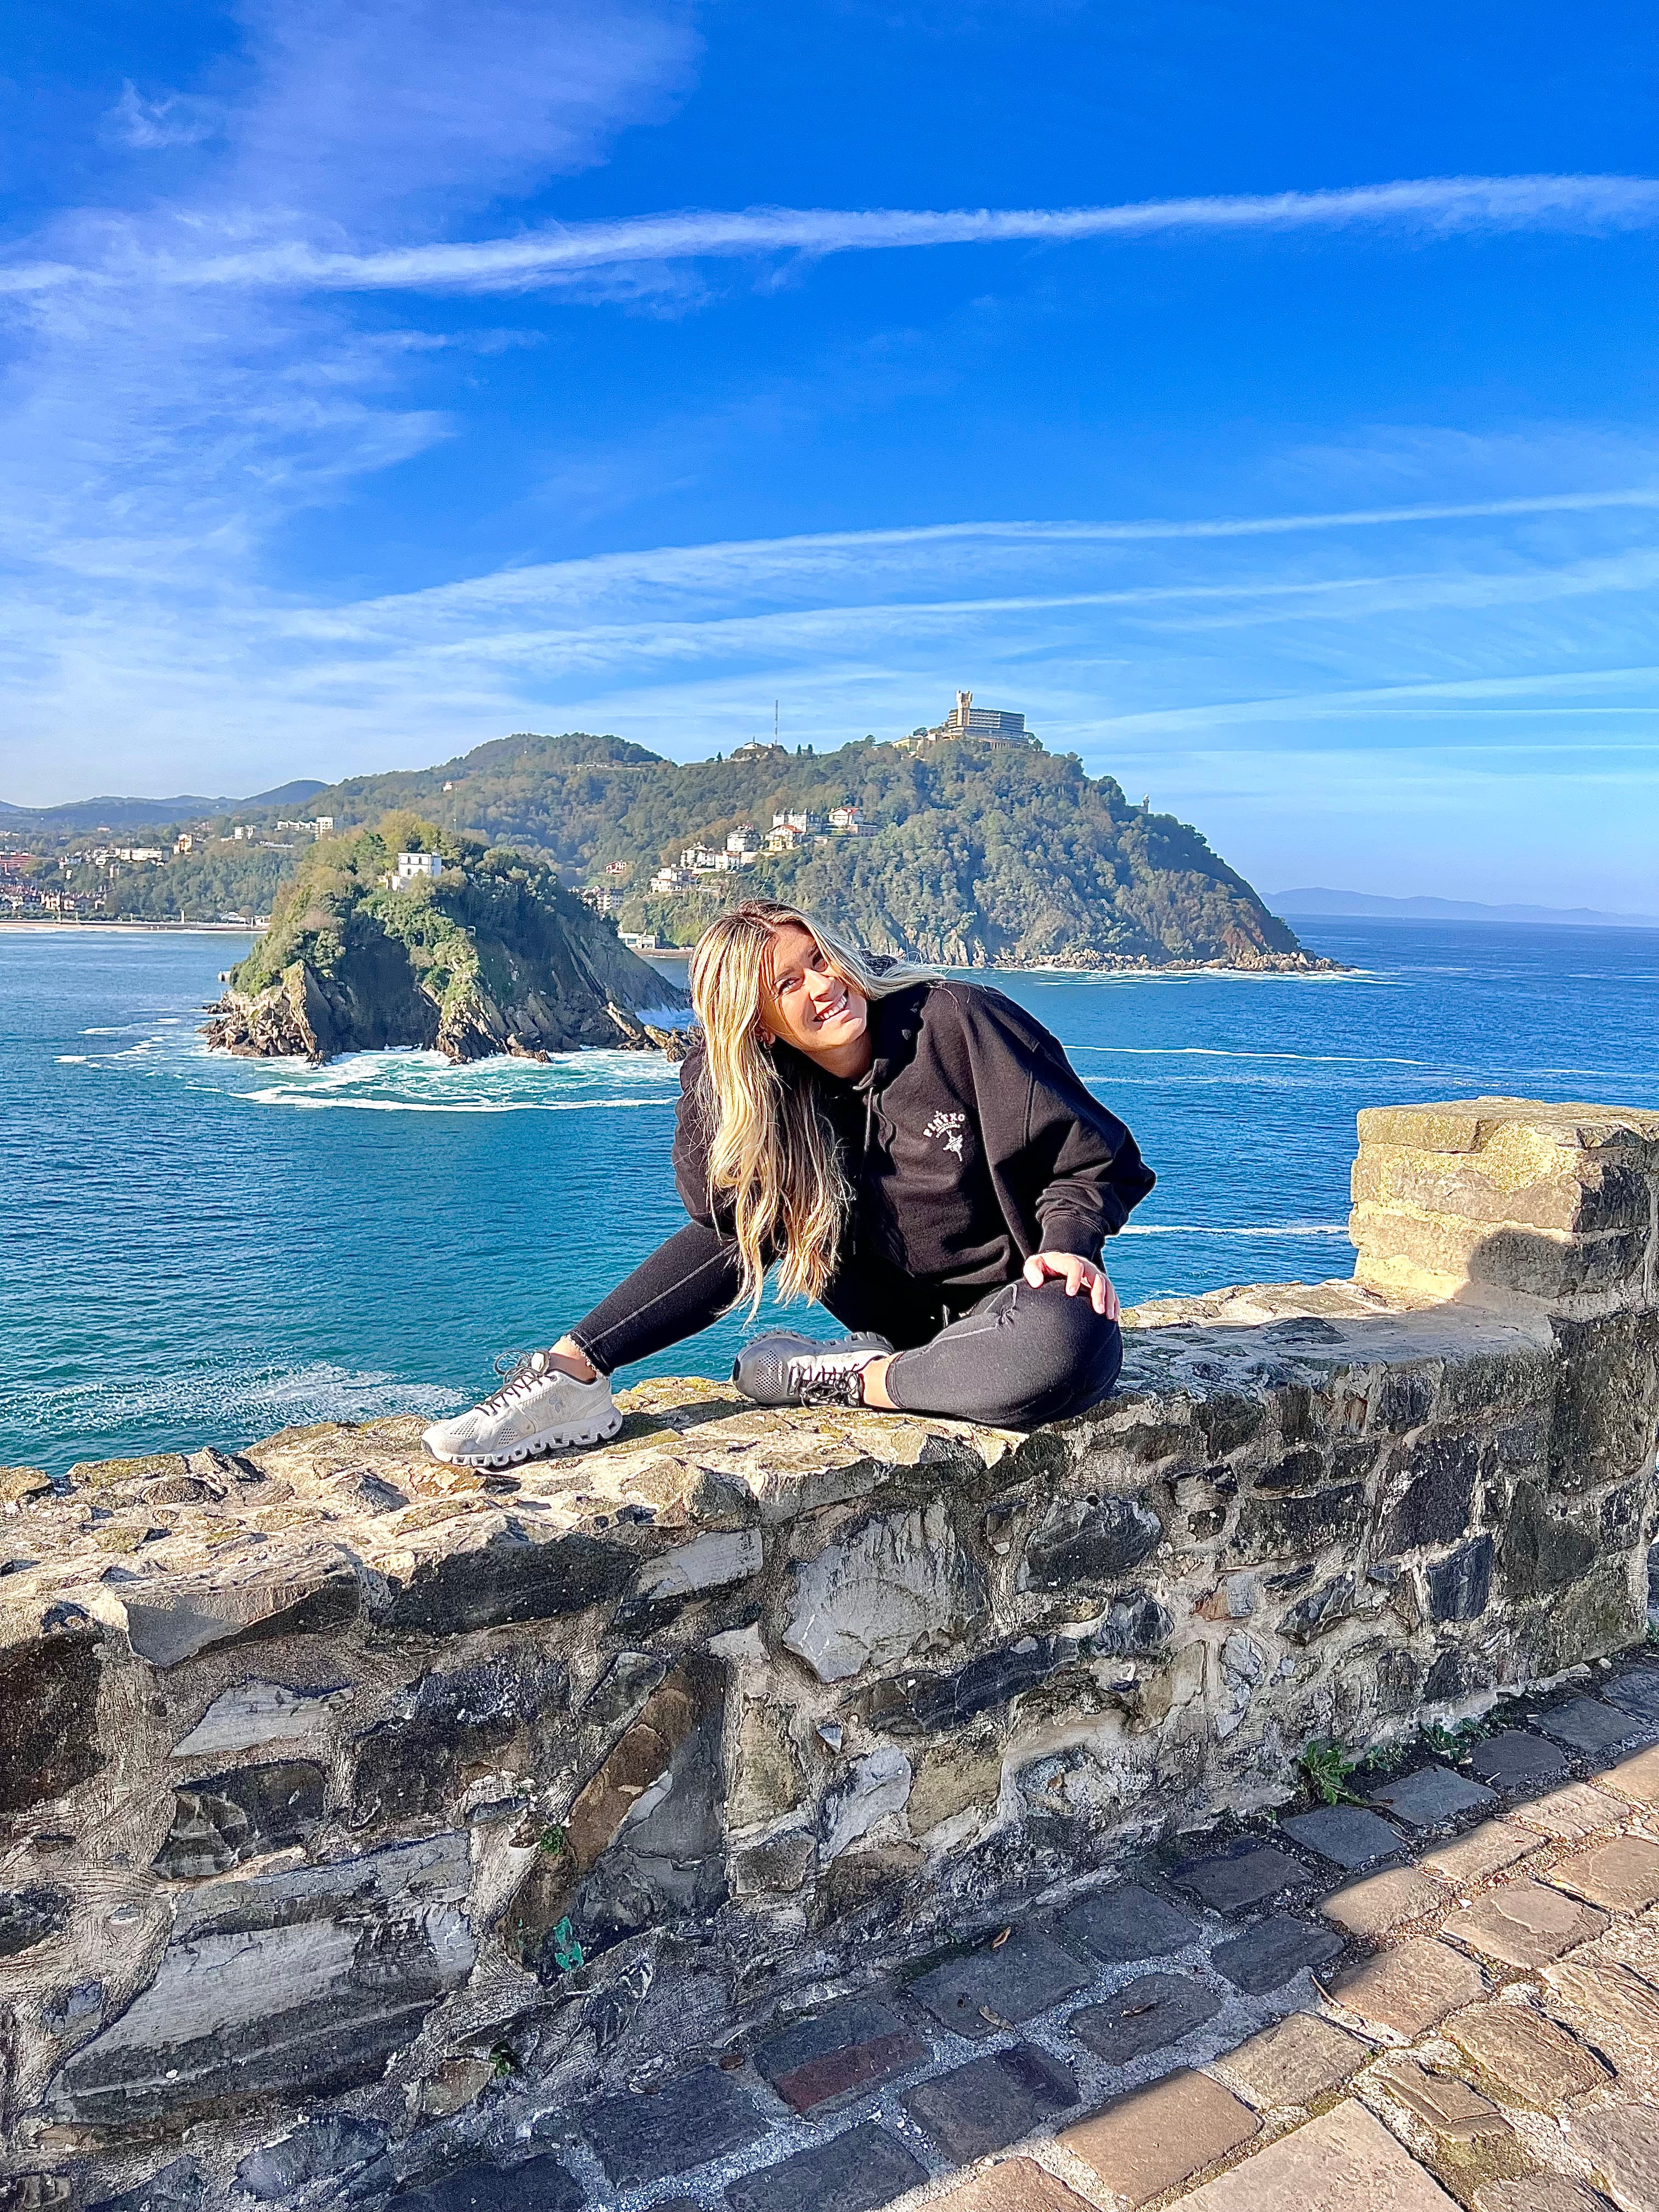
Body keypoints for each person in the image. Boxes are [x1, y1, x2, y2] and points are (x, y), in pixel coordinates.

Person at [423, 900, 1154, 1468]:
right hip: (902, 1324)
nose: (825, 986)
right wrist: (719, 1056)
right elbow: (715, 1210)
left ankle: (852, 1378)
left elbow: (1090, 1158)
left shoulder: (957, 1021)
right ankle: (571, 1374)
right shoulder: (784, 1096)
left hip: (1015, 1309)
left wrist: (1069, 1245)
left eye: (820, 960)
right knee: (754, 1213)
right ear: (760, 1023)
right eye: (788, 984)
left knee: (1066, 1349)